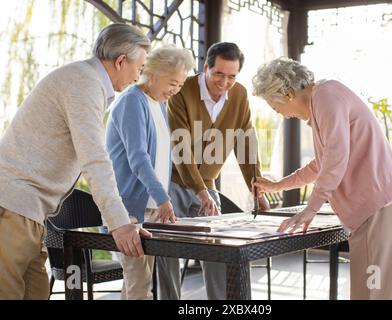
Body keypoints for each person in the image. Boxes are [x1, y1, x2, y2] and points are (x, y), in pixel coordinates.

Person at [0, 23, 152, 300]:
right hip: (12, 208)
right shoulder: (83, 84)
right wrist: (119, 224)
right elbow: (95, 160)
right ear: (121, 61)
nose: (139, 75)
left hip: (29, 213)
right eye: (139, 67)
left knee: (33, 293)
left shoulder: (85, 81)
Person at [252, 58, 392, 300]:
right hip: (375, 212)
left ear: (287, 93)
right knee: (368, 292)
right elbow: (323, 163)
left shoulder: (327, 96)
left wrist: (311, 209)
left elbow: (336, 158)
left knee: (376, 293)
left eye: (275, 108)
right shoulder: (323, 103)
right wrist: (278, 185)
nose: (281, 115)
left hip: (380, 210)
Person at [157, 42, 270, 300]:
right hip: (172, 182)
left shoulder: (239, 95)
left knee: (218, 251)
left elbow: (245, 144)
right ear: (205, 67)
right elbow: (180, 147)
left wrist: (257, 189)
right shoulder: (182, 90)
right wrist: (201, 192)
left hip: (207, 183)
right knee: (167, 253)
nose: (224, 82)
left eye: (231, 76)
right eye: (218, 74)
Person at [106, 46, 194, 300]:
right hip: (129, 210)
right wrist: (164, 198)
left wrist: (160, 199)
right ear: (153, 74)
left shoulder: (158, 103)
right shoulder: (132, 100)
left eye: (180, 85)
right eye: (173, 83)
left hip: (150, 210)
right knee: (139, 284)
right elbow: (138, 158)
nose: (175, 90)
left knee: (139, 283)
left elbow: (161, 159)